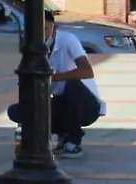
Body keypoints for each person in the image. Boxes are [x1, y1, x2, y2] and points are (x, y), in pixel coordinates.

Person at [7, 9, 105, 158]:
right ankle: (55, 134)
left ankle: (74, 141)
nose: (41, 33)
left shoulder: (67, 40)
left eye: (45, 28)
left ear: (54, 27)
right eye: (36, 29)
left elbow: (87, 71)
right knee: (17, 111)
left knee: (72, 86)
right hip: (60, 102)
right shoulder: (31, 46)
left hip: (85, 104)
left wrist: (53, 78)